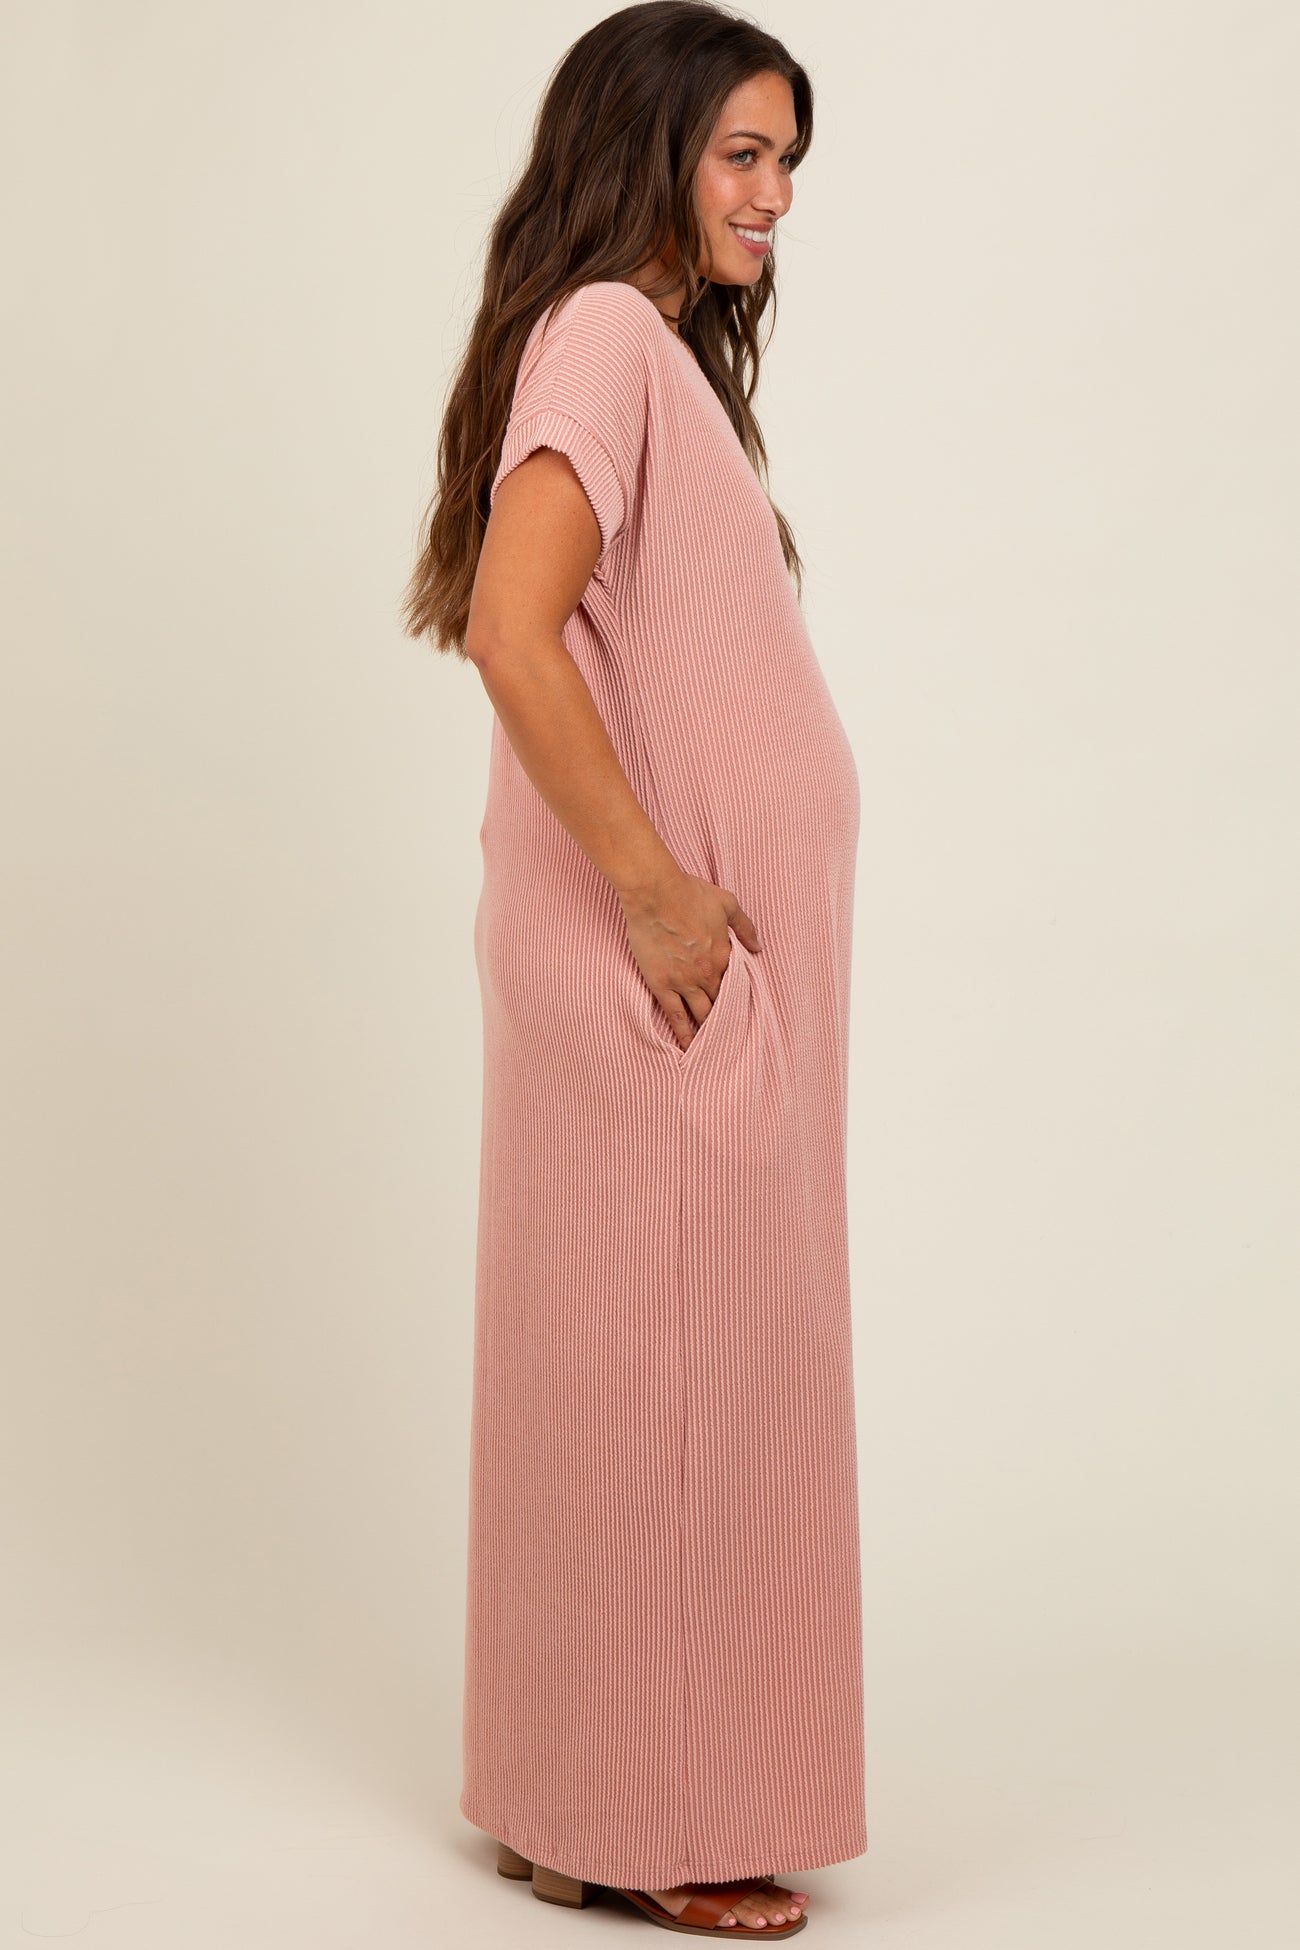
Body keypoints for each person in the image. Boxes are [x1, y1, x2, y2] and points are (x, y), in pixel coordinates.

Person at [402, 2, 867, 1937]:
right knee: (684, 1373)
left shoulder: (637, 349)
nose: (776, 196)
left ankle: (574, 1797)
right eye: (743, 153)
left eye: (790, 162)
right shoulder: (606, 328)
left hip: (654, 972)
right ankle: (657, 1807)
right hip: (653, 968)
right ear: (647, 148)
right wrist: (664, 897)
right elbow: (512, 628)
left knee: (617, 1362)